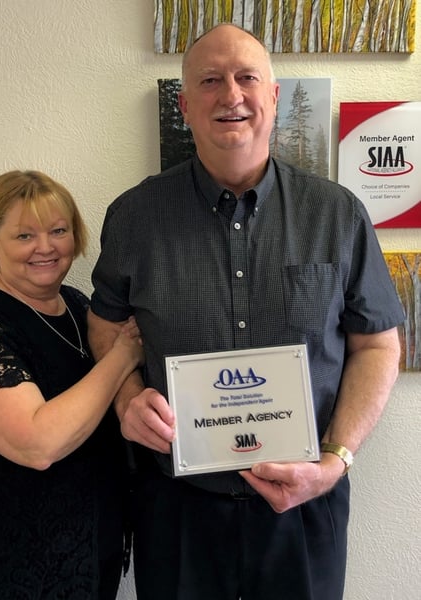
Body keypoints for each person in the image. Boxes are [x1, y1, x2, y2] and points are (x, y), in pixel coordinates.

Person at [87, 23, 405, 600]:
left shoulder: (337, 215)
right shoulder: (134, 217)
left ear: (274, 96)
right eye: (209, 80)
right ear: (184, 105)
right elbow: (106, 322)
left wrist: (336, 459)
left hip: (305, 509)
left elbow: (378, 345)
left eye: (246, 77)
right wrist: (126, 397)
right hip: (177, 510)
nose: (230, 94)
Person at [0, 170, 144, 600]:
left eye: (58, 230)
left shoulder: (81, 308)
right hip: (4, 563)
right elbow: (37, 443)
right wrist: (123, 356)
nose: (45, 247)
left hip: (85, 550)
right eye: (24, 235)